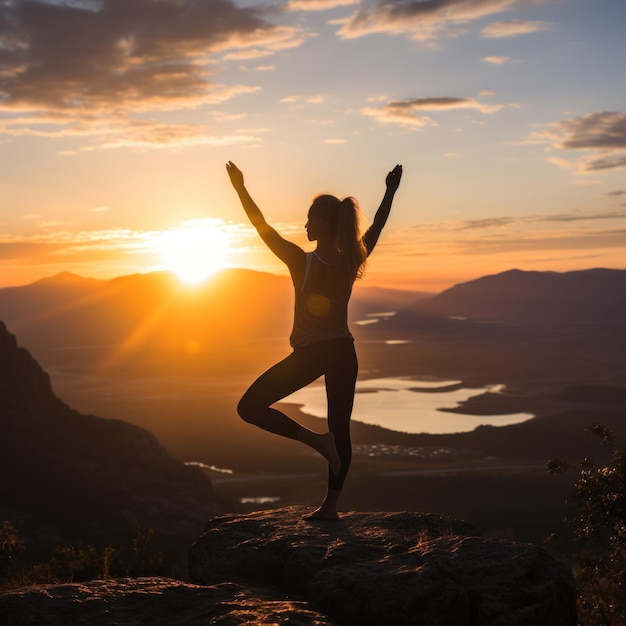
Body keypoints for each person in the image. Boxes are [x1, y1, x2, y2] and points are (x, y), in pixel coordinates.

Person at [226, 160, 403, 520]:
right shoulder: (350, 260)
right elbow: (377, 226)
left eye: (308, 219)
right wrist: (389, 191)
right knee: (341, 428)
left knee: (249, 407)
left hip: (312, 354)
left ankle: (314, 441)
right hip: (344, 352)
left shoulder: (299, 261)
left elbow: (262, 228)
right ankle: (331, 507)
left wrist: (240, 189)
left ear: (321, 224)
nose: (304, 224)